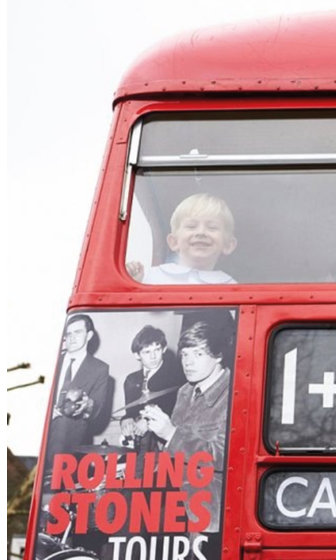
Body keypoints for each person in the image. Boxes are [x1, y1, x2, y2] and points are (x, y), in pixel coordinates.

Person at [142, 320, 233, 542]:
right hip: (175, 505)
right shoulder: (185, 391)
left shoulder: (234, 394)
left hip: (208, 513)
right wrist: (153, 430)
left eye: (198, 354)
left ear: (218, 354)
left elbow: (225, 457)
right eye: (184, 355)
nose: (188, 363)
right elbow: (171, 450)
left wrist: (171, 434)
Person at [127, 193, 238, 284]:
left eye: (212, 227)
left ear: (228, 245)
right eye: (191, 226)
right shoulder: (148, 278)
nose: (201, 233)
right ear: (173, 242)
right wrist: (132, 283)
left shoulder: (231, 286)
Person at [45, 314, 113, 463]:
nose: (72, 337)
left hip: (69, 445)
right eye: (68, 333)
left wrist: (87, 405)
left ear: (89, 335)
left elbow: (98, 411)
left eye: (77, 332)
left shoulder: (99, 369)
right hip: (40, 439)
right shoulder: (51, 360)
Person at [119, 325, 185, 452]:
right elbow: (131, 411)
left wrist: (148, 422)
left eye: (157, 349)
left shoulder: (176, 375)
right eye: (147, 352)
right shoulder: (131, 380)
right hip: (140, 443)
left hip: (164, 442)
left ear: (164, 349)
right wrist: (126, 420)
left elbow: (175, 411)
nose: (153, 356)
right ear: (137, 355)